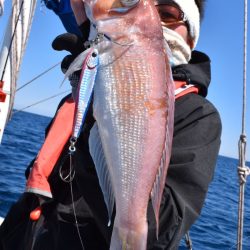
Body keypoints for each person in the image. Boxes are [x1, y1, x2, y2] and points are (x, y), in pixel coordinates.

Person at [0, 0, 222, 249]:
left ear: (192, 38)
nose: (157, 21)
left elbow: (160, 234)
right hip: (23, 234)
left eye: (168, 14)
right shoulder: (83, 89)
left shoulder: (198, 116)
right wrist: (92, 94)